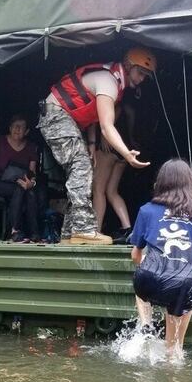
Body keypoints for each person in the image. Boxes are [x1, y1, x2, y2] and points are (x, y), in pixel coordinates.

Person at [38, 47, 155, 245]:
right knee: (81, 167)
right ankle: (83, 229)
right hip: (56, 114)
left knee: (81, 171)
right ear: (128, 66)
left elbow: (90, 115)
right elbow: (106, 126)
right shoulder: (108, 81)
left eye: (146, 76)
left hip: (67, 119)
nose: (142, 78)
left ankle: (69, 233)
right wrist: (126, 153)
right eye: (140, 72)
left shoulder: (114, 84)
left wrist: (91, 144)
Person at [129, 159, 192, 357]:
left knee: (142, 280)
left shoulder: (146, 210)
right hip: (182, 285)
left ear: (160, 183)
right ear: (190, 182)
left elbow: (135, 255)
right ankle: (174, 380)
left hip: (149, 279)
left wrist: (149, 265)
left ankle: (146, 324)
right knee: (174, 351)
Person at [0, 114, 40, 242]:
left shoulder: (31, 148)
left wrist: (31, 183)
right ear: (10, 128)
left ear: (26, 132)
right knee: (19, 189)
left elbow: (32, 172)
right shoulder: (0, 141)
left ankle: (35, 234)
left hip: (18, 183)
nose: (17, 129)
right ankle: (14, 231)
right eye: (15, 126)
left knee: (30, 192)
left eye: (21, 127)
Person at [89, 101, 138, 243]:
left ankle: (96, 231)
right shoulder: (127, 107)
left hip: (108, 149)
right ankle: (127, 228)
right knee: (112, 192)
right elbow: (130, 121)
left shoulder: (110, 104)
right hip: (123, 151)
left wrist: (104, 138)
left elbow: (108, 122)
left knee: (98, 190)